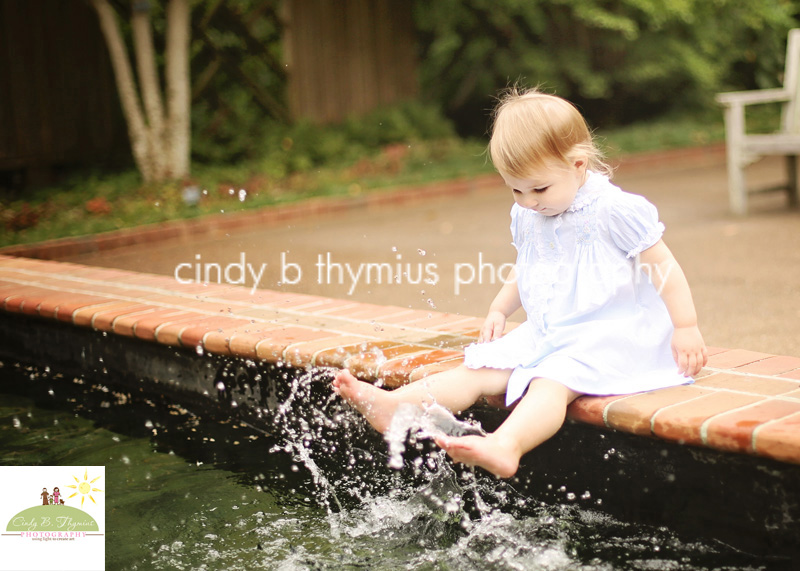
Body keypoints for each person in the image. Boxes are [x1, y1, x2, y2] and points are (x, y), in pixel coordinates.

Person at [333, 87, 707, 479]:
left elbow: (664, 267)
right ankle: (397, 407)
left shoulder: (615, 210)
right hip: (554, 330)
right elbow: (528, 266)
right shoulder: (529, 212)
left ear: (578, 165)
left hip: (613, 335)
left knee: (552, 382)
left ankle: (505, 445)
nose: (528, 201)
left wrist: (685, 326)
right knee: (480, 369)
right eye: (515, 189)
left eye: (539, 188)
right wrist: (499, 308)